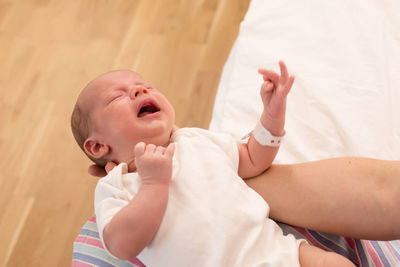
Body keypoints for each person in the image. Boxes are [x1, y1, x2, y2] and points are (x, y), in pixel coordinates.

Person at [71, 61, 355, 266]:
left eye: (146, 87)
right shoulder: (118, 184)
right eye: (118, 96)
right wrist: (152, 184)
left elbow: (254, 158)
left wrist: (272, 116)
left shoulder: (194, 140)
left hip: (277, 252)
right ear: (98, 145)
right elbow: (121, 245)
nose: (139, 92)